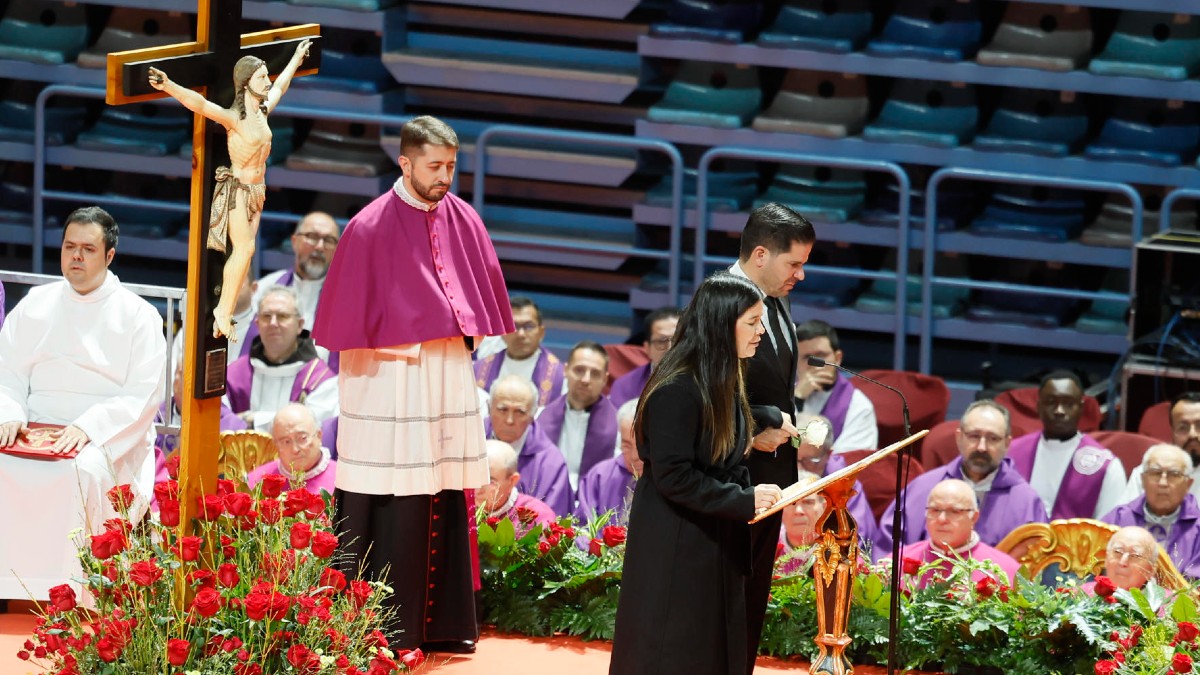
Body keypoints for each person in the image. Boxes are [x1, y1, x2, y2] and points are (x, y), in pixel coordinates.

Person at [310, 115, 513, 654]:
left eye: (451, 167)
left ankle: (442, 625)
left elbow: (476, 307)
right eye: (434, 166)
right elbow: (346, 326)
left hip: (443, 375)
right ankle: (377, 628)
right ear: (405, 163)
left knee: (441, 486)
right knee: (391, 494)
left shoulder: (464, 219)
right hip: (388, 381)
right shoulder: (368, 227)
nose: (445, 177)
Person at [609, 273, 782, 675]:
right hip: (677, 539)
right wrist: (743, 500)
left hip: (709, 532)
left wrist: (766, 419)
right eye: (752, 322)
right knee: (675, 648)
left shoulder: (720, 374)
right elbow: (674, 476)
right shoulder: (676, 386)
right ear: (722, 325)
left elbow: (713, 430)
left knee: (708, 646)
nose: (761, 331)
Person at [0, 206, 166, 601]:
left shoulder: (139, 315)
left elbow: (142, 395)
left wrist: (88, 428)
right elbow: (8, 372)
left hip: (106, 435)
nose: (76, 256)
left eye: (88, 249)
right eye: (69, 246)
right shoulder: (35, 303)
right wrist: (10, 413)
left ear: (109, 256)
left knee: (83, 471)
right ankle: (8, 585)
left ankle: (76, 594)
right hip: (35, 422)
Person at [149, 39, 311, 340]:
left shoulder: (262, 111)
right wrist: (169, 86)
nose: (267, 81)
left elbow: (281, 86)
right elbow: (200, 105)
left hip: (258, 191)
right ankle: (222, 312)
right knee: (244, 248)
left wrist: (297, 59)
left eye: (266, 75)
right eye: (261, 77)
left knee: (247, 255)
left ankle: (226, 311)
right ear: (246, 83)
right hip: (237, 190)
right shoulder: (234, 118)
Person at [730, 202, 812, 672]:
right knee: (727, 598)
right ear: (761, 254)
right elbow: (701, 392)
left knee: (752, 596)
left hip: (773, 476)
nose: (801, 275)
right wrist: (753, 429)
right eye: (793, 264)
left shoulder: (777, 298)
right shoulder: (719, 301)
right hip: (730, 477)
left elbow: (774, 387)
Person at [877, 400, 1046, 550]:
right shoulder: (922, 489)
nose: (981, 447)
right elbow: (889, 552)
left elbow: (1036, 565)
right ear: (959, 437)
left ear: (1007, 443)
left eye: (993, 438)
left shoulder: (1026, 502)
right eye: (974, 436)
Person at [1008, 370, 1126, 520]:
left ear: (1081, 408)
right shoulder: (1010, 454)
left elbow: (1111, 527)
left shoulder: (1107, 467)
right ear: (1038, 406)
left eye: (1068, 403)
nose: (1059, 411)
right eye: (1051, 402)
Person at [224, 285, 338, 432]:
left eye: (282, 316)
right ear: (257, 324)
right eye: (266, 316)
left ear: (300, 325)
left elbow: (313, 425)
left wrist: (251, 420)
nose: (273, 323)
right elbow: (217, 416)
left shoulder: (319, 379)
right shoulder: (234, 374)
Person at [899, 480, 1021, 588]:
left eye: (954, 511)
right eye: (935, 510)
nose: (942, 519)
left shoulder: (1005, 570)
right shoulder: (897, 562)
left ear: (974, 517)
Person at [1103, 444, 1200, 578]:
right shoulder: (1118, 518)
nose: (1163, 483)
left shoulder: (1197, 528)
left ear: (1188, 484)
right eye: (1155, 472)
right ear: (1143, 479)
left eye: (1174, 474)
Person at [537, 341, 618, 492]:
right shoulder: (539, 417)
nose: (585, 379)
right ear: (566, 370)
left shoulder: (619, 426)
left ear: (605, 379)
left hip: (595, 500)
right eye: (579, 370)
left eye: (595, 373)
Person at [483, 375, 571, 515]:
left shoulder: (550, 463)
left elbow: (552, 521)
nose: (510, 420)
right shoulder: (469, 443)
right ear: (489, 408)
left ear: (533, 415)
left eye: (520, 412)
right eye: (502, 409)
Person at [796, 416, 880, 553]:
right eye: (794, 459)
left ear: (828, 454)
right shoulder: (781, 471)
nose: (799, 468)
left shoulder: (845, 483)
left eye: (811, 460)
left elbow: (854, 540)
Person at [793, 320, 878, 453]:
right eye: (807, 358)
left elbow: (850, 460)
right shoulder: (785, 395)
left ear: (837, 358)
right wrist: (797, 399)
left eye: (821, 356)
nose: (815, 365)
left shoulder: (859, 406)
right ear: (795, 362)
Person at [254, 211, 341, 328]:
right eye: (312, 237)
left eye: (329, 240)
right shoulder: (264, 288)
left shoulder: (346, 299)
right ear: (294, 242)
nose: (320, 247)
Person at [474, 296, 564, 407]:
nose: (521, 334)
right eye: (513, 326)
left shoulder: (559, 375)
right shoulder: (479, 369)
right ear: (502, 332)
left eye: (529, 326)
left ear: (541, 332)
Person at [1122, 392, 1200, 501]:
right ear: (1172, 432)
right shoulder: (1149, 472)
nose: (1192, 434)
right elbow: (1126, 511)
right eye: (1183, 427)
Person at [575, 399, 641, 527]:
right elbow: (582, 527)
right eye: (627, 445)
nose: (634, 456)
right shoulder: (599, 476)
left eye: (641, 446)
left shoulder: (669, 482)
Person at [247, 402, 336, 496]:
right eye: (286, 441)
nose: (295, 449)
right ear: (275, 444)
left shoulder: (341, 479)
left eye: (302, 438)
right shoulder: (256, 482)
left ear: (319, 436)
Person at [475, 439, 557, 530]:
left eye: (490, 480)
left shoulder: (537, 516)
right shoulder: (463, 507)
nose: (477, 490)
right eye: (473, 477)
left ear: (512, 481)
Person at [609, 308, 681, 409]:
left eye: (677, 339)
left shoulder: (702, 381)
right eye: (661, 341)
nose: (670, 348)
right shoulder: (625, 386)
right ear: (647, 348)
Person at [775, 471, 825, 576]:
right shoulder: (766, 547)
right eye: (791, 503)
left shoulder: (840, 548)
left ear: (824, 507)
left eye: (808, 502)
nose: (798, 511)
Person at [1086, 526, 1159, 592]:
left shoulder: (1163, 602)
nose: (1122, 562)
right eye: (1117, 552)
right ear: (1106, 559)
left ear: (1151, 570)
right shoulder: (1085, 593)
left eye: (1135, 556)